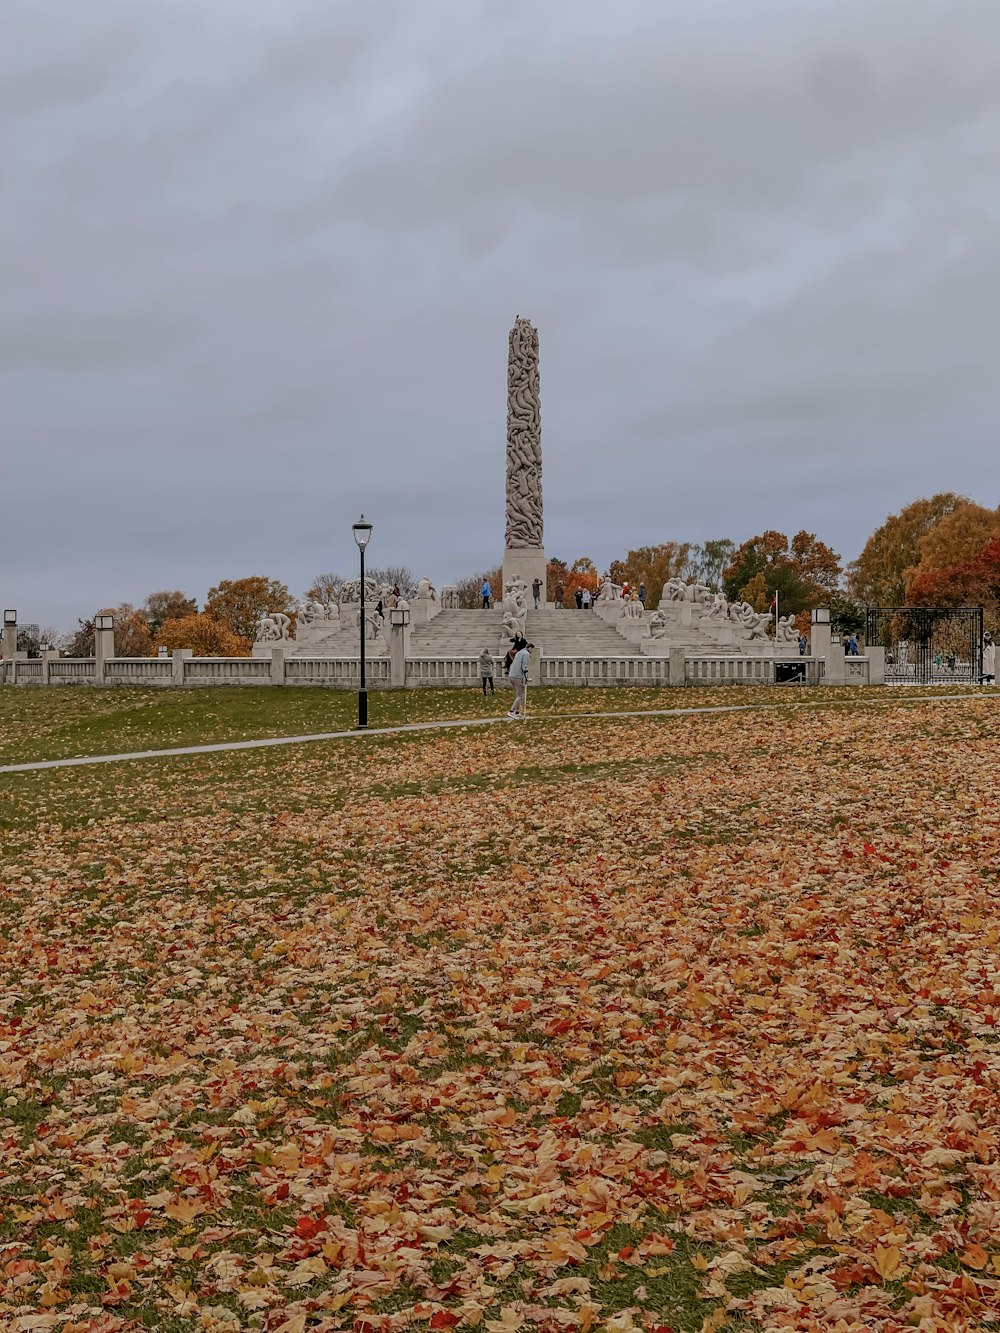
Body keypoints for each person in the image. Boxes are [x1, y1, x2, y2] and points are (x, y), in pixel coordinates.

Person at [507, 641, 533, 719]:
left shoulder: (519, 653)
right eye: (532, 650)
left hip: (511, 675)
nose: (532, 651)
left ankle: (517, 712)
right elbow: (524, 666)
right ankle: (511, 711)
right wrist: (527, 677)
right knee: (521, 695)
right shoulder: (526, 654)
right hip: (517, 676)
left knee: (517, 695)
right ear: (530, 648)